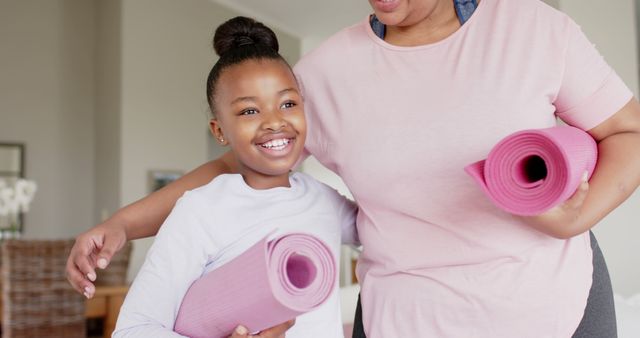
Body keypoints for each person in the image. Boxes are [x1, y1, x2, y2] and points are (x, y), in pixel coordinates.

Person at [67, 0, 640, 337]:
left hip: (557, 307)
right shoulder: (322, 75)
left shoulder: (533, 29)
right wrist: (121, 224)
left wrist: (576, 216)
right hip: (402, 319)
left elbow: (627, 132)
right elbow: (234, 167)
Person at [111, 17, 358, 338]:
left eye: (288, 103)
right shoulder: (200, 210)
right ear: (219, 131)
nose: (274, 122)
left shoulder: (323, 201)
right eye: (249, 111)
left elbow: (390, 234)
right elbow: (133, 330)